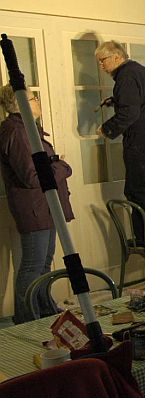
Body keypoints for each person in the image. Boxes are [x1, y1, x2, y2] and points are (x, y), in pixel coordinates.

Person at [0, 84, 74, 324]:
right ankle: (27, 318)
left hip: (45, 207)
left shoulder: (26, 129)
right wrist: (62, 167)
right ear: (21, 102)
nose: (38, 102)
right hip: (34, 209)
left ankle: (44, 311)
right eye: (34, 98)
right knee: (33, 265)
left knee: (43, 264)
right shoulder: (16, 131)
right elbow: (32, 176)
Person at [95, 40, 145, 247]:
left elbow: (130, 113)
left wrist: (107, 128)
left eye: (103, 61)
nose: (101, 66)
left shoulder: (126, 77)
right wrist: (115, 100)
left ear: (117, 57)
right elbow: (139, 101)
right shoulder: (141, 72)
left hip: (142, 141)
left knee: (139, 189)